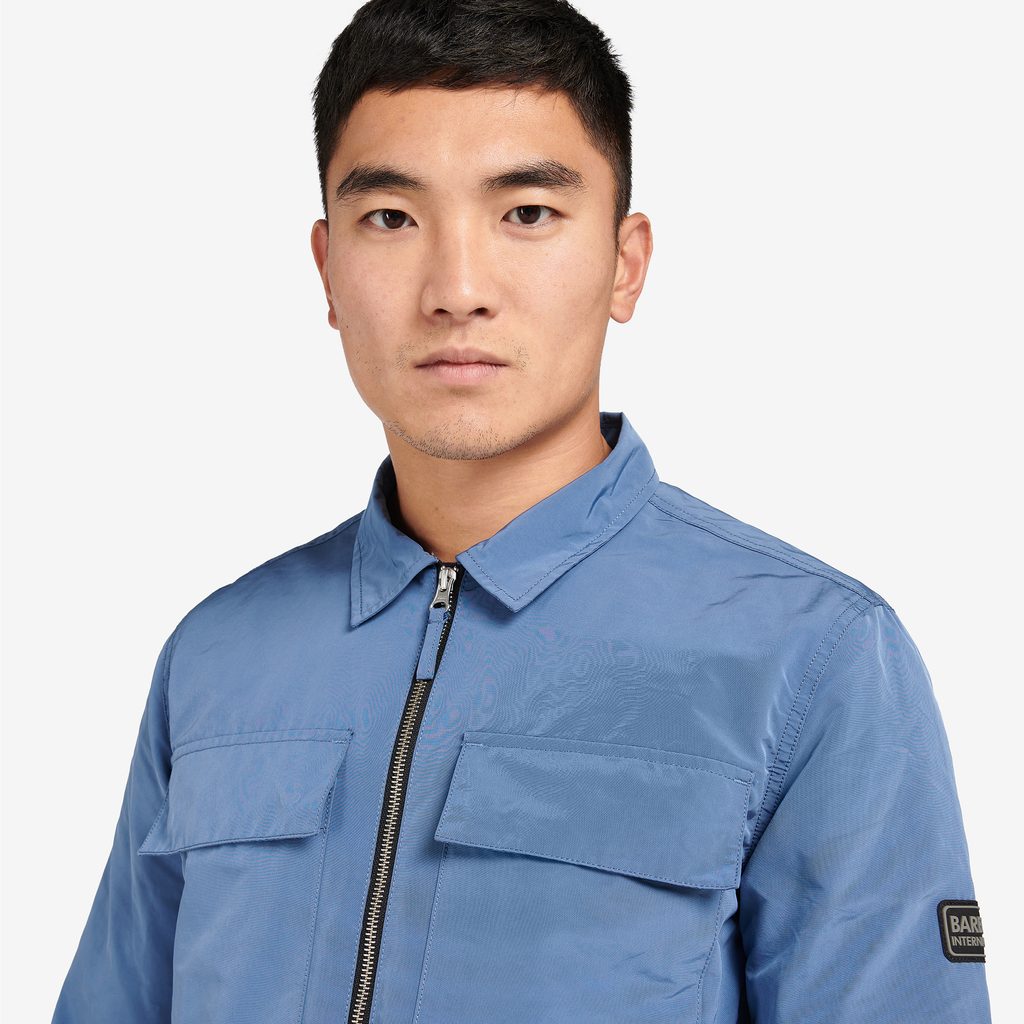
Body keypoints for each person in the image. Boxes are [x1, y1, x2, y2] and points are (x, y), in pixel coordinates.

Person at [51, 1, 991, 1021]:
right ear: (327, 269)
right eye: (391, 218)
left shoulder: (812, 657)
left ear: (626, 262)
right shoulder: (218, 656)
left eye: (528, 213)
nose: (457, 289)